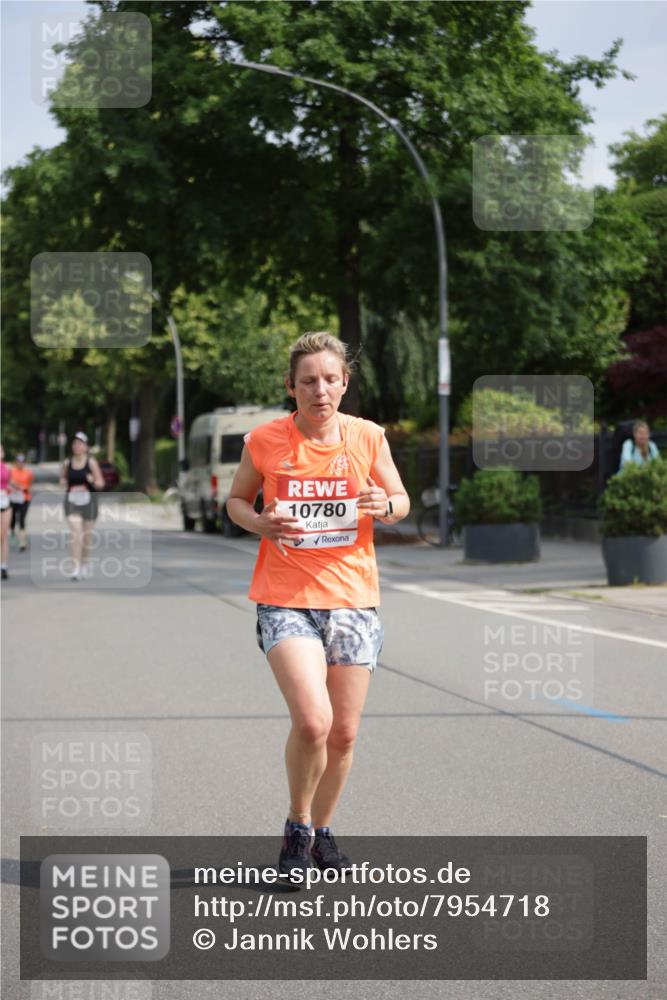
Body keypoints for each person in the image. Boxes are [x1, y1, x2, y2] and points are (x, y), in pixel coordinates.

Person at [227, 332, 410, 879]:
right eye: (308, 381)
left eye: (330, 379)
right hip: (285, 599)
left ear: (345, 384)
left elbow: (399, 500)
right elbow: (236, 500)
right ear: (292, 387)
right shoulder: (264, 440)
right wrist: (258, 521)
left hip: (353, 597)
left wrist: (387, 503)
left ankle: (324, 829)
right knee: (312, 721)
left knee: (344, 733)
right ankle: (298, 825)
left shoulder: (368, 437)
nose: (320, 389)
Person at [59, 432, 105, 581]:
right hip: (72, 501)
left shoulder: (91, 463)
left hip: (89, 502)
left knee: (86, 537)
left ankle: (85, 563)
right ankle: (76, 567)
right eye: (75, 443)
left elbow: (100, 484)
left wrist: (92, 481)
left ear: (86, 447)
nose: (77, 446)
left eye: (80, 443)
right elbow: (63, 479)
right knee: (75, 533)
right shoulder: (68, 462)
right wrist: (63, 483)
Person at [9, 453, 34, 551]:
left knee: (22, 519)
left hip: (24, 498)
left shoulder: (28, 473)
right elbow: (8, 482)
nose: (20, 463)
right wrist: (14, 486)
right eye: (19, 461)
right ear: (16, 462)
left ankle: (22, 542)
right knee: (13, 519)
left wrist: (25, 488)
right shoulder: (11, 471)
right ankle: (12, 532)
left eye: (22, 462)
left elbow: (30, 486)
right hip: (13, 498)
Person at [0, 445, 12, 580]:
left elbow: (7, 483)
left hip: (4, 502)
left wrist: (12, 488)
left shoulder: (6, 468)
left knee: (3, 535)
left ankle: (3, 566)